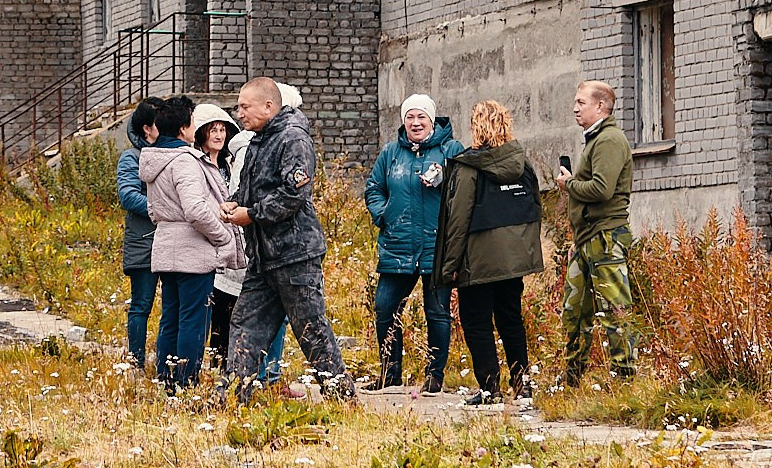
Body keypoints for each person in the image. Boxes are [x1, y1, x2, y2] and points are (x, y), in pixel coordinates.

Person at [221, 77, 355, 401]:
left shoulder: (293, 138)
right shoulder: (258, 140)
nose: (239, 113)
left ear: (268, 106)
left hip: (295, 255)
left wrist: (251, 214)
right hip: (263, 258)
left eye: (244, 106)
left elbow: (293, 195)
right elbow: (254, 190)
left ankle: (342, 398)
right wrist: (235, 203)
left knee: (311, 328)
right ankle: (233, 397)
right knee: (245, 324)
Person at [434, 99, 545, 406]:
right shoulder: (522, 163)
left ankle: (489, 388)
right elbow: (535, 207)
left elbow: (458, 220)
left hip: (478, 261)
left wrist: (449, 266)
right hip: (513, 260)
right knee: (511, 319)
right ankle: (521, 384)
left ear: (477, 127)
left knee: (476, 321)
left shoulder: (468, 166)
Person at [364, 92, 461, 392]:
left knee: (437, 312)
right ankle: (390, 373)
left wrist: (445, 177)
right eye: (410, 117)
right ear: (403, 121)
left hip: (437, 246)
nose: (416, 122)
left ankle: (434, 376)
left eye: (421, 117)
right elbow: (374, 188)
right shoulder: (391, 153)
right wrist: (385, 215)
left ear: (432, 120)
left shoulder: (450, 150)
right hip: (398, 245)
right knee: (385, 308)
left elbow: (464, 190)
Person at [143, 96, 239, 388]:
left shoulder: (154, 158)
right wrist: (222, 236)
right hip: (193, 251)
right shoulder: (185, 160)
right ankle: (186, 383)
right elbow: (196, 210)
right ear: (184, 128)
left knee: (170, 317)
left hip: (165, 245)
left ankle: (167, 380)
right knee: (193, 319)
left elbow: (152, 209)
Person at [555, 80, 637, 387]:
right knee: (575, 311)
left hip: (606, 237)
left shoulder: (609, 140)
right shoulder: (594, 140)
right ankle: (571, 380)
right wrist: (578, 239)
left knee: (616, 310)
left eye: (581, 102)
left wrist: (569, 184)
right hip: (587, 239)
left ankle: (624, 380)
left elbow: (602, 190)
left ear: (600, 106)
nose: (575, 108)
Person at [201, 103, 288, 377]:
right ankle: (242, 373)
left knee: (242, 313)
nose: (219, 135)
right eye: (213, 131)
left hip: (244, 245)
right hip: (229, 245)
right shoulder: (243, 156)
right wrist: (226, 232)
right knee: (228, 313)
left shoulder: (230, 160)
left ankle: (250, 373)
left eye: (222, 130)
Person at [116, 98, 164, 371]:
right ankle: (136, 363)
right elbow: (127, 195)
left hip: (171, 240)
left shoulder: (172, 153)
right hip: (144, 241)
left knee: (172, 306)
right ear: (147, 128)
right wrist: (162, 209)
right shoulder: (131, 157)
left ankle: (167, 361)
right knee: (141, 304)